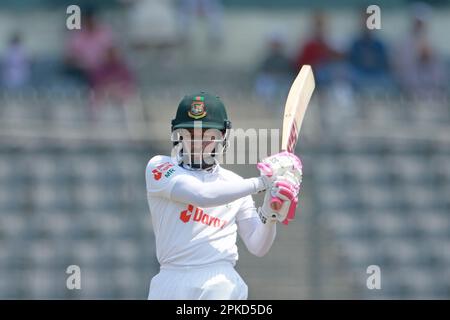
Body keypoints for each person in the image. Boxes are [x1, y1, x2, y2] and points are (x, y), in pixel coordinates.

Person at [145, 92, 303, 299]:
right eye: (190, 134)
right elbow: (202, 195)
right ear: (177, 136)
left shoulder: (235, 184)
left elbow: (258, 246)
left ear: (223, 138)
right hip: (169, 279)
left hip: (219, 282)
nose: (198, 142)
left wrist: (269, 215)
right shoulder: (160, 166)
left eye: (208, 135)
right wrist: (263, 182)